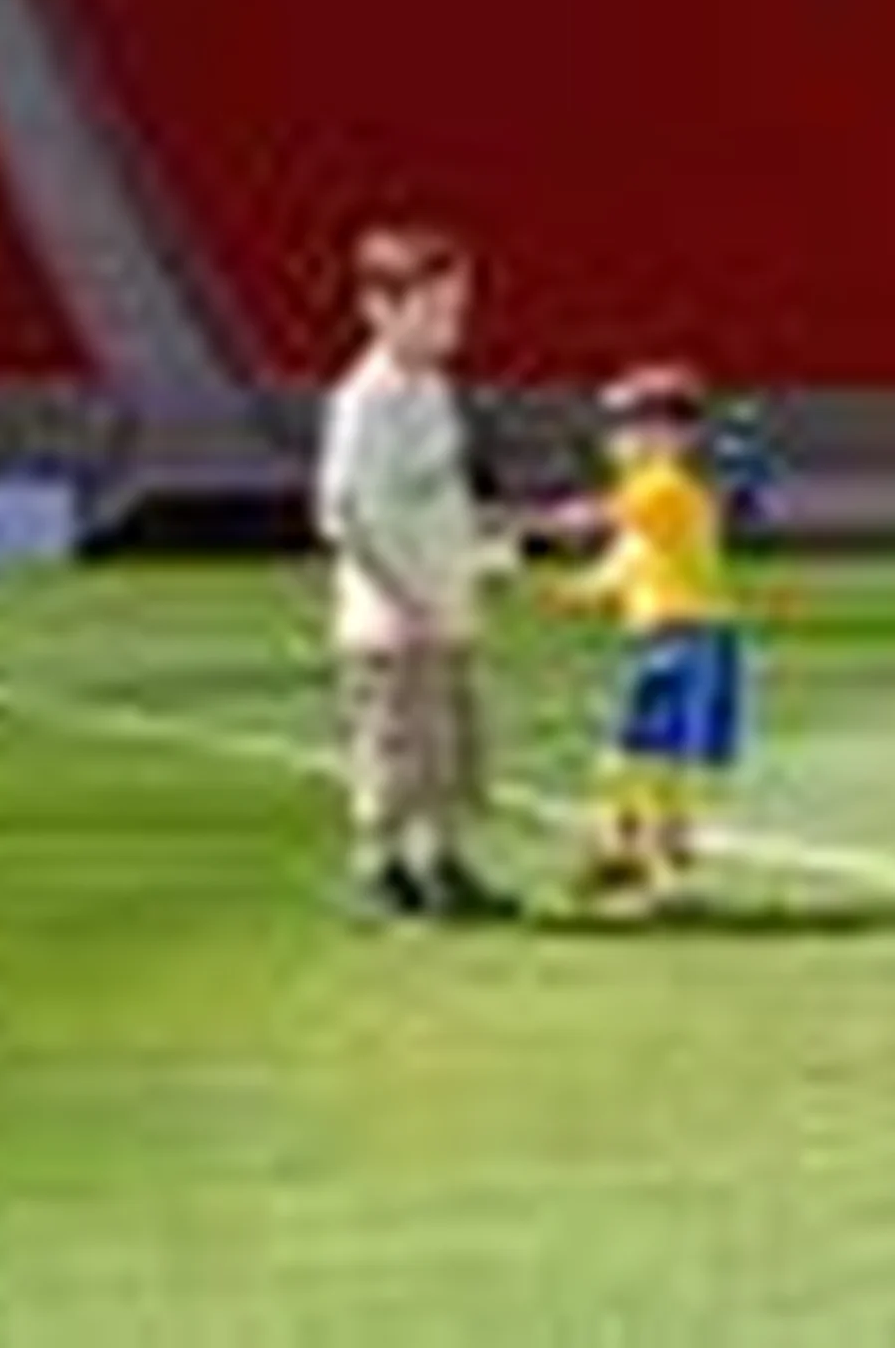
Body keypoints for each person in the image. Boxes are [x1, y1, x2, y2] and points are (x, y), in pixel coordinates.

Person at [315, 223, 512, 925]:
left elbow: (444, 489)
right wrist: (399, 601)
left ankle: (441, 865)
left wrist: (481, 549)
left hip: (446, 604)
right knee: (393, 746)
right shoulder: (364, 398)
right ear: (379, 307)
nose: (449, 322)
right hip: (391, 621)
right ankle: (377, 869)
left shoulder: (433, 385)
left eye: (457, 306)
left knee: (451, 745)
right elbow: (343, 516)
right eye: (432, 308)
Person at [549, 363, 748, 913]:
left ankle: (641, 860)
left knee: (639, 756)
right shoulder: (659, 499)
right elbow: (623, 567)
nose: (615, 441)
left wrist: (514, 538)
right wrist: (570, 590)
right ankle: (640, 854)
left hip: (681, 638)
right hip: (675, 638)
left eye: (629, 426)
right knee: (648, 758)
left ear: (670, 436)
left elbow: (597, 520)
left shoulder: (663, 489)